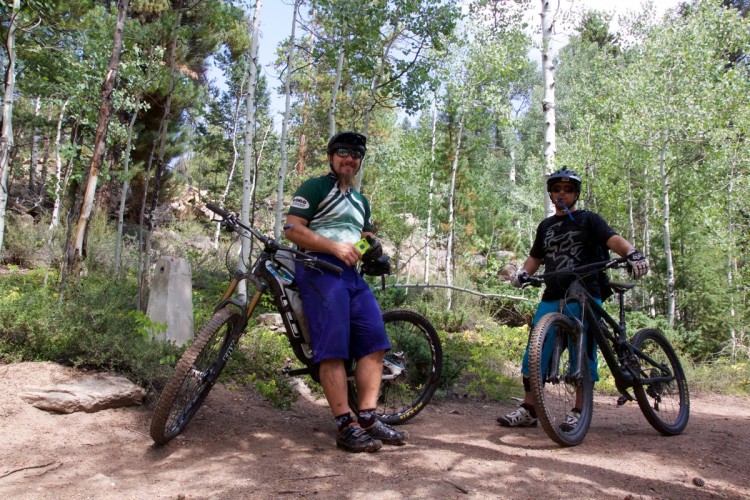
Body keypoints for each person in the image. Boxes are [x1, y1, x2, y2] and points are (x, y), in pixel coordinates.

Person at [498, 167, 649, 430]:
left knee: (583, 350)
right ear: (550, 193)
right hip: (553, 293)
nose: (561, 194)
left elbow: (613, 240)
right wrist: (522, 273)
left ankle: (579, 410)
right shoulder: (545, 226)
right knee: (534, 353)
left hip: (584, 292)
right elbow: (536, 257)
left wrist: (633, 253)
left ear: (576, 194)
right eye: (556, 189)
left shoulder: (589, 219)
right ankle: (529, 409)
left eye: (568, 190)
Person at [283, 131, 405, 453]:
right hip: (317, 267)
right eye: (343, 152)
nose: (349, 158)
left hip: (350, 273)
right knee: (333, 346)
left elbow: (363, 238)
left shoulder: (361, 201)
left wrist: (371, 248)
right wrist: (334, 246)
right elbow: (293, 228)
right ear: (331, 157)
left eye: (355, 154)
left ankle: (366, 417)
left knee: (374, 341)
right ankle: (343, 425)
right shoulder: (315, 187)